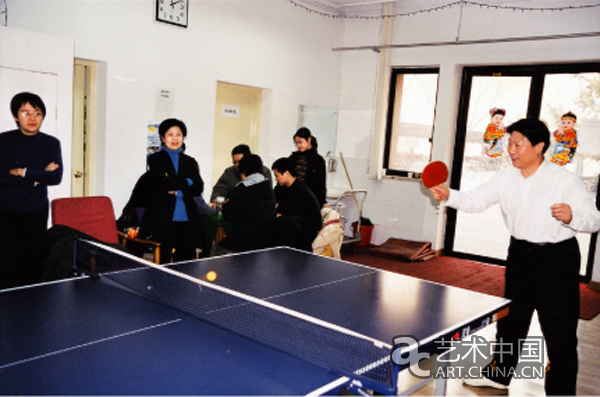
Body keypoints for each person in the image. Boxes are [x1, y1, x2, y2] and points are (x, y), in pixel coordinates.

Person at [430, 118, 600, 395]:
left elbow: (594, 219)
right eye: (509, 143)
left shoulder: (565, 180)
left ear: (539, 146)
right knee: (511, 322)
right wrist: (449, 195)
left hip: (557, 259)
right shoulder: (505, 177)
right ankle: (499, 375)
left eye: (518, 144)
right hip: (520, 255)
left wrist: (574, 217)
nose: (511, 149)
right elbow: (476, 200)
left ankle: (561, 391)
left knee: (560, 334)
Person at [0, 92, 63, 289]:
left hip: (36, 210)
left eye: (37, 113)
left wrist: (22, 171)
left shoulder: (51, 143)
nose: (32, 118)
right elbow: (2, 177)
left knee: (34, 262)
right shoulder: (4, 140)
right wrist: (36, 178)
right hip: (7, 210)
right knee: (7, 263)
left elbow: (55, 177)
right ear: (15, 116)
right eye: (25, 112)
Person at [143, 118, 204, 264]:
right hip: (164, 218)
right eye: (170, 134)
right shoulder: (155, 159)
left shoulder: (190, 161)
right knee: (163, 262)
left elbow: (198, 187)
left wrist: (178, 191)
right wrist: (187, 181)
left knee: (186, 264)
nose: (175, 138)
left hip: (187, 219)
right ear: (163, 138)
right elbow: (165, 183)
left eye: (179, 134)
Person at [214, 154, 277, 255]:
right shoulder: (268, 187)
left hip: (243, 243)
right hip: (265, 242)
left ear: (243, 172)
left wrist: (223, 206)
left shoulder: (242, 188)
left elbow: (229, 214)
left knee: (217, 249)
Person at [272, 157, 322, 246]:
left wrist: (280, 215)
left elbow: (294, 217)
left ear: (286, 174)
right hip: (294, 226)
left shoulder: (300, 192)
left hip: (305, 232)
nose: (275, 179)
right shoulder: (281, 188)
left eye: (277, 175)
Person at [289, 127, 327, 208]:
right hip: (294, 199)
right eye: (296, 143)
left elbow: (321, 185)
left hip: (310, 200)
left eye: (300, 142)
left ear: (309, 140)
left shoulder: (318, 161)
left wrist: (322, 202)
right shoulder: (293, 158)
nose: (298, 145)